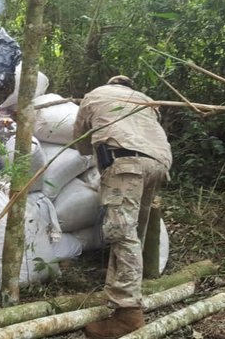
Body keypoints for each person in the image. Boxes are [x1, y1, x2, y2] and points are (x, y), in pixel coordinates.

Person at [73, 75, 172, 339]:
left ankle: (128, 314)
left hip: (125, 162)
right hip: (159, 164)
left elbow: (81, 143)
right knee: (134, 231)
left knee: (120, 232)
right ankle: (126, 290)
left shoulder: (94, 95)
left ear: (109, 84)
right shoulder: (147, 101)